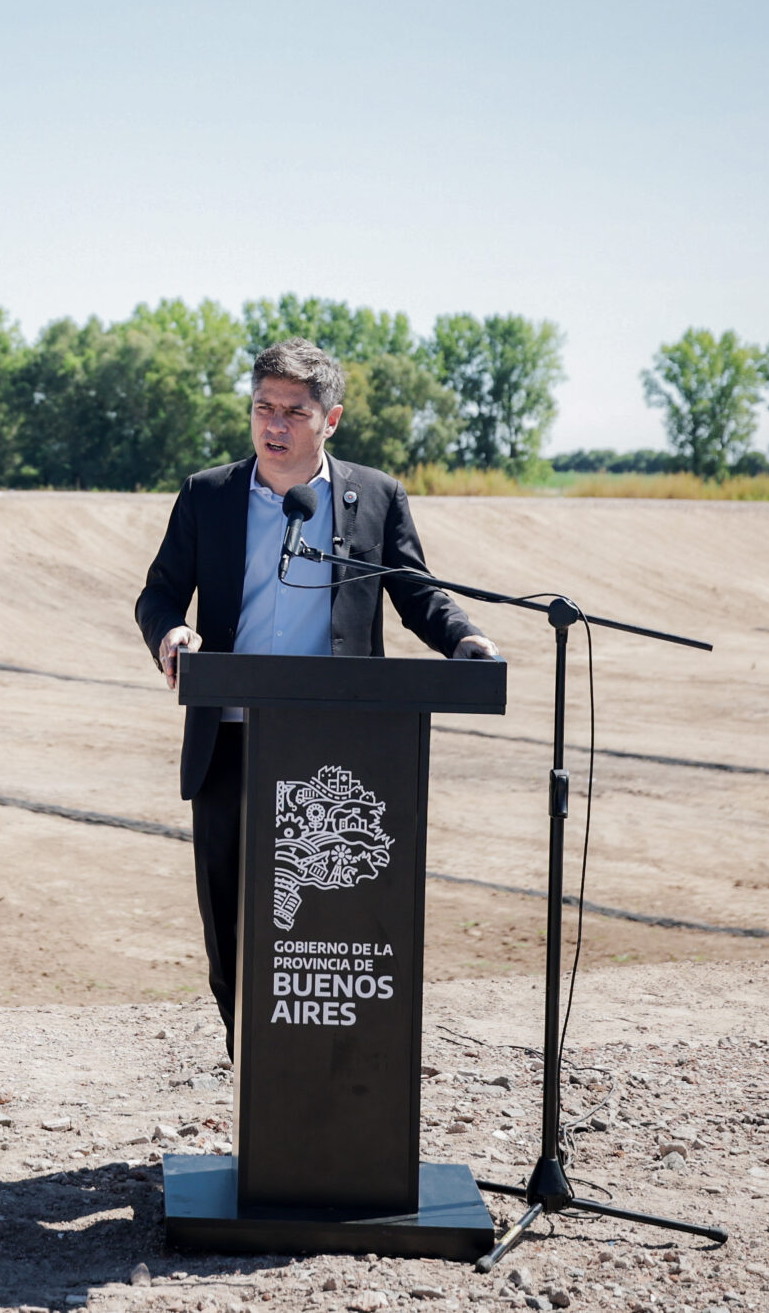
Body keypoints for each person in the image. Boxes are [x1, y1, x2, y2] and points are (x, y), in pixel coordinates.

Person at [134, 338, 498, 1042]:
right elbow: (160, 593)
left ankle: (326, 1072)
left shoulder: (376, 497)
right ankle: (250, 1068)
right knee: (229, 918)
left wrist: (463, 638)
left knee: (328, 925)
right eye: (262, 408)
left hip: (337, 753)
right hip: (229, 739)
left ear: (330, 420)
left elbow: (416, 593)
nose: (273, 425)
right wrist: (171, 633)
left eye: (293, 412)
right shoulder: (208, 494)